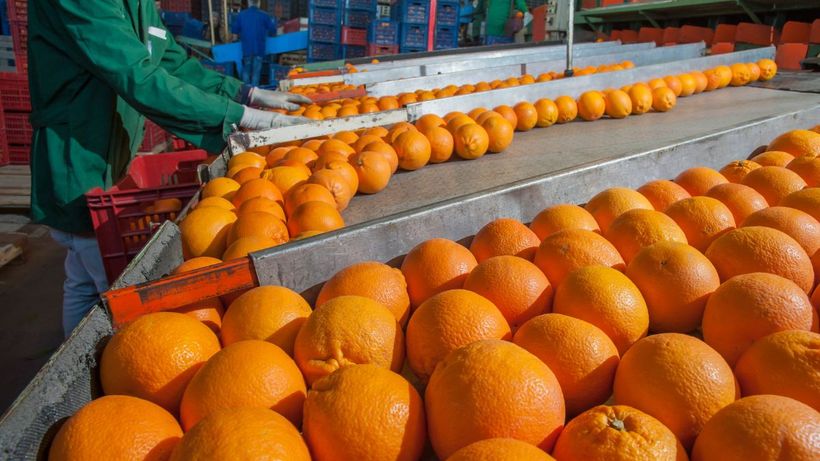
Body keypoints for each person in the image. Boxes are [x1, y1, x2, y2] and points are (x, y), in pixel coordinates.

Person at [28, 0, 310, 337]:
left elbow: (168, 58)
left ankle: (80, 357)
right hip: (78, 151)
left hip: (103, 146)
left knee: (83, 274)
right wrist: (239, 116)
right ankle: (99, 369)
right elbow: (139, 75)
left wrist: (245, 92)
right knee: (107, 283)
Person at [232, 0, 277, 86]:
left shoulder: (241, 15)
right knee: (256, 72)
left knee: (246, 71)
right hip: (259, 49)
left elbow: (235, 32)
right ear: (259, 3)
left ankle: (246, 93)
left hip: (246, 48)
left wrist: (235, 40)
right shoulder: (264, 15)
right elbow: (273, 31)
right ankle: (254, 94)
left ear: (249, 3)